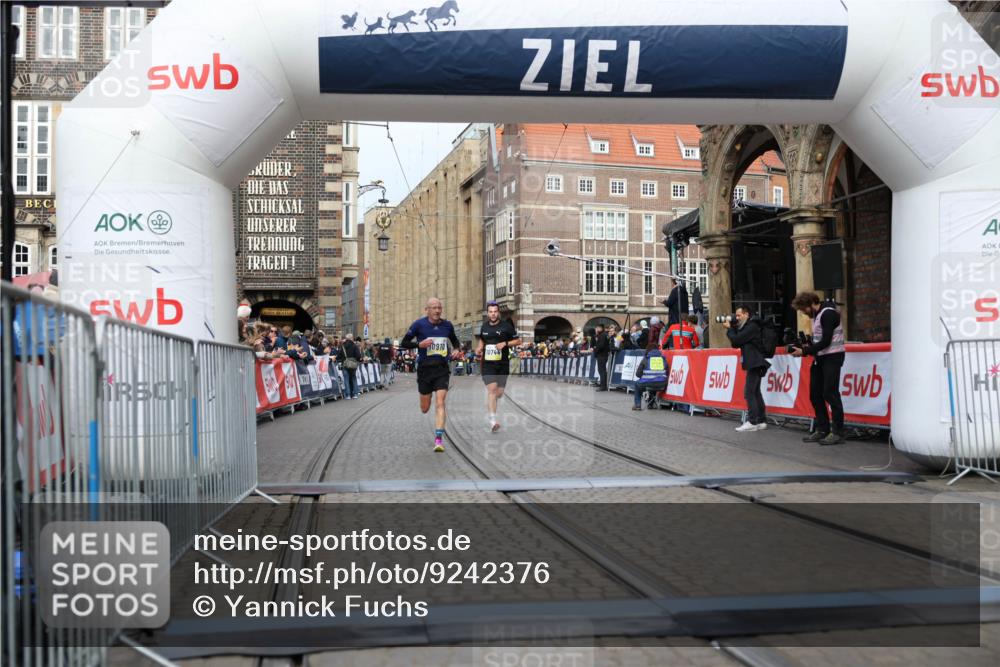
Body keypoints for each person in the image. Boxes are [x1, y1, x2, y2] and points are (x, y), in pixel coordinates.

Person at [401, 297, 464, 452]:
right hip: (424, 370)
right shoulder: (418, 325)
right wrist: (418, 344)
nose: (437, 310)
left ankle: (438, 439)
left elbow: (455, 342)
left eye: (439, 307)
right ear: (427, 310)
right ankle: (424, 398)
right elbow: (404, 343)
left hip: (442, 369)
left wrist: (456, 350)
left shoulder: (447, 325)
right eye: (434, 308)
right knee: (425, 408)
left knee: (440, 402)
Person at [791, 292, 847, 445]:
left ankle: (838, 432)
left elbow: (826, 341)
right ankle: (822, 429)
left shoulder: (828, 314)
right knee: (815, 394)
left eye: (803, 309)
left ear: (810, 304)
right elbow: (819, 341)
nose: (803, 313)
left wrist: (805, 351)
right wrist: (807, 347)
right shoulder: (817, 315)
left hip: (832, 357)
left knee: (830, 393)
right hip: (820, 358)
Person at [476, 301, 521, 432]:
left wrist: (505, 343)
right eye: (490, 312)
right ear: (488, 313)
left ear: (498, 313)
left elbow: (518, 340)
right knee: (492, 390)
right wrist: (479, 348)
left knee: (499, 393)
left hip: (502, 364)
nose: (493, 314)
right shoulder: (484, 327)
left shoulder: (506, 326)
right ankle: (493, 421)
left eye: (495, 311)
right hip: (488, 364)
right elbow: (482, 341)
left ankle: (492, 404)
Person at [724, 305, 769, 432]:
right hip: (754, 361)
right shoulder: (748, 326)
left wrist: (729, 329)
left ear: (746, 314)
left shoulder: (752, 326)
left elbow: (736, 340)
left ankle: (752, 421)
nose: (737, 318)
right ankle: (761, 420)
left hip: (755, 362)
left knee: (749, 392)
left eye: (739, 315)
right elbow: (736, 341)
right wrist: (733, 328)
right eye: (736, 315)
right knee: (755, 392)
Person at [632, 346, 668, 411]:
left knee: (637, 384)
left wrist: (644, 377)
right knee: (653, 382)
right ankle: (651, 404)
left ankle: (637, 405)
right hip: (662, 385)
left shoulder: (646, 359)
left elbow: (638, 374)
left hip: (648, 383)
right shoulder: (663, 359)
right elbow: (666, 372)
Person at [340, 333, 363, 399]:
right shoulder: (354, 346)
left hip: (345, 364)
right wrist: (359, 359)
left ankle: (348, 395)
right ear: (351, 338)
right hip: (353, 364)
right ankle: (355, 394)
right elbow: (358, 356)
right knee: (353, 378)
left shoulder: (343, 346)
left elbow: (339, 355)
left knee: (346, 379)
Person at [592, 323, 611, 391]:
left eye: (597, 328)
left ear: (601, 328)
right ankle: (602, 385)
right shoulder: (603, 335)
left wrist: (595, 350)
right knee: (601, 370)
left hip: (602, 355)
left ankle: (603, 386)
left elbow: (601, 345)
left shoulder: (602, 335)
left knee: (602, 370)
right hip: (602, 355)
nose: (596, 329)